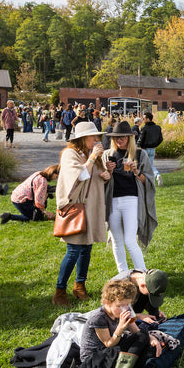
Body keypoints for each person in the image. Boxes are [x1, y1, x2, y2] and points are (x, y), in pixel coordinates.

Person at [53, 121, 110, 307]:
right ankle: (59, 291)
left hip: (91, 207)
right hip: (76, 208)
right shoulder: (70, 154)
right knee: (74, 250)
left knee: (86, 248)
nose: (97, 139)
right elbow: (80, 176)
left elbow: (96, 177)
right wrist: (93, 157)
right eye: (93, 137)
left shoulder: (90, 154)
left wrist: (107, 173)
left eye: (98, 136)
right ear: (82, 138)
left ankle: (79, 286)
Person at [77, 279, 162, 368]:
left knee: (144, 338)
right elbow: (108, 343)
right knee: (136, 348)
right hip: (95, 358)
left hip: (112, 350)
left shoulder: (125, 309)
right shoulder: (98, 318)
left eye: (127, 304)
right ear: (107, 303)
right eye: (120, 305)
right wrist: (120, 327)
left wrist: (151, 338)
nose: (125, 308)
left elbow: (137, 332)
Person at [103, 120, 157, 274]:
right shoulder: (108, 155)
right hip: (112, 201)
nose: (119, 141)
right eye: (116, 138)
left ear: (130, 138)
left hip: (131, 200)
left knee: (130, 240)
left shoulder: (139, 154)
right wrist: (109, 172)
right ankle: (123, 274)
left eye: (123, 137)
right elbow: (103, 181)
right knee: (116, 240)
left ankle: (143, 273)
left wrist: (136, 171)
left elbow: (148, 181)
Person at [138, 112, 163, 187]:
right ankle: (154, 176)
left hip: (145, 149)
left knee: (142, 165)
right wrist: (155, 145)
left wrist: (137, 146)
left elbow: (141, 139)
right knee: (150, 165)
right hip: (153, 149)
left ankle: (150, 177)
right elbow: (160, 139)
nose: (143, 120)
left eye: (144, 118)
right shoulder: (158, 127)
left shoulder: (144, 128)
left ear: (148, 119)